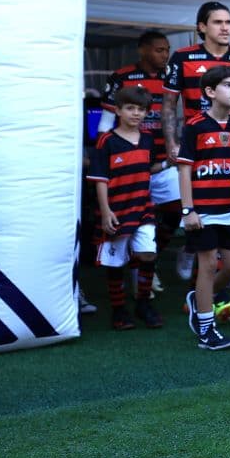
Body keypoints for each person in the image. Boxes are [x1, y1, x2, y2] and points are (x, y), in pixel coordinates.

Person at [176, 66, 230, 351]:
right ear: (210, 92)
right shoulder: (195, 126)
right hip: (203, 210)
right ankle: (206, 331)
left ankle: (200, 298)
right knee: (208, 264)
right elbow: (184, 170)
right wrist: (188, 210)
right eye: (228, 85)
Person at [99, 31, 176, 293]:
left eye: (166, 50)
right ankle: (135, 270)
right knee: (127, 221)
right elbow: (107, 119)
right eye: (158, 50)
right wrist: (102, 152)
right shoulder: (122, 77)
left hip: (162, 160)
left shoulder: (172, 77)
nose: (164, 55)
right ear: (142, 50)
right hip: (127, 163)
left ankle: (149, 261)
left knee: (177, 210)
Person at [87, 85, 163, 331]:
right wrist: (106, 211)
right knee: (114, 262)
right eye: (130, 108)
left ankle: (143, 303)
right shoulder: (106, 141)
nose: (136, 113)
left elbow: (146, 169)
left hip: (143, 208)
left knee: (148, 254)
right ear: (118, 110)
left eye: (141, 109)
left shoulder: (149, 140)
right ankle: (119, 311)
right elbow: (100, 178)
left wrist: (167, 165)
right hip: (116, 210)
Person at [164, 1, 230, 161]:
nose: (225, 27)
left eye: (228, 22)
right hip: (196, 143)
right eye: (218, 22)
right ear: (202, 27)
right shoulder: (181, 58)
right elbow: (169, 105)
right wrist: (171, 144)